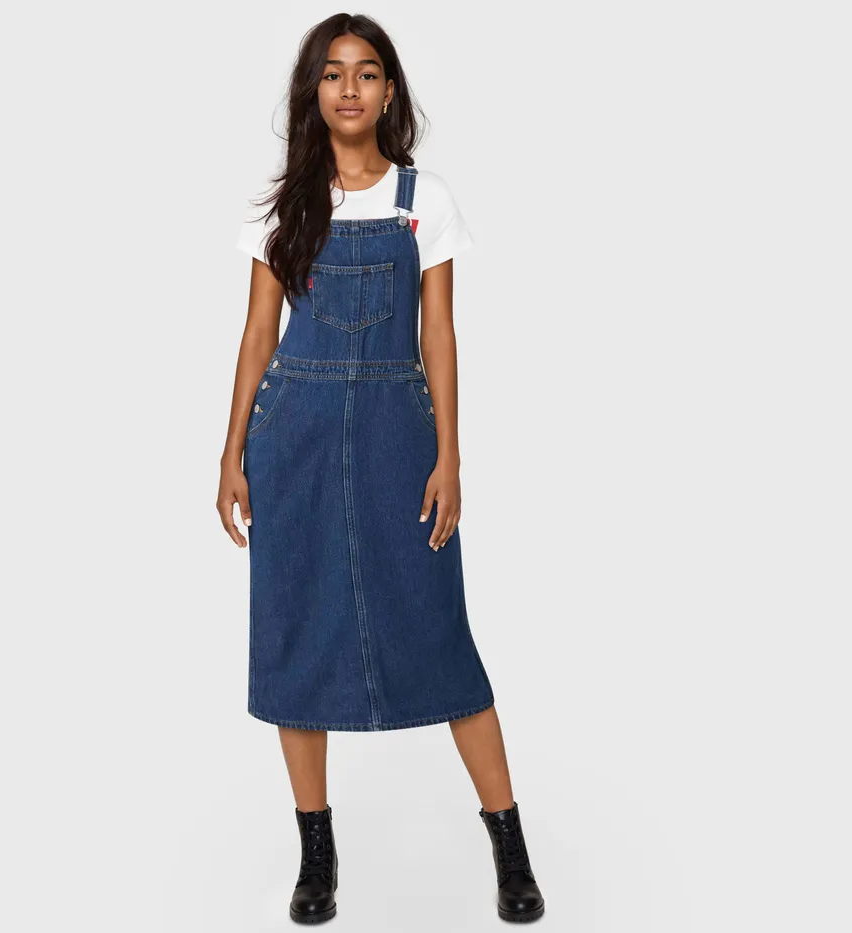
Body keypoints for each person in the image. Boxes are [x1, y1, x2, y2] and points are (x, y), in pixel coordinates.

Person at [217, 14, 546, 925]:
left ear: (389, 90)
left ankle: (509, 844)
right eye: (333, 74)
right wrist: (231, 451)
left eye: (366, 73)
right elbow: (257, 333)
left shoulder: (422, 198)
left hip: (401, 438)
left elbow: (438, 332)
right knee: (295, 633)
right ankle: (316, 854)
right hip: (296, 436)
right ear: (313, 92)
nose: (350, 88)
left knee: (440, 632)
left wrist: (449, 453)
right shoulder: (283, 205)